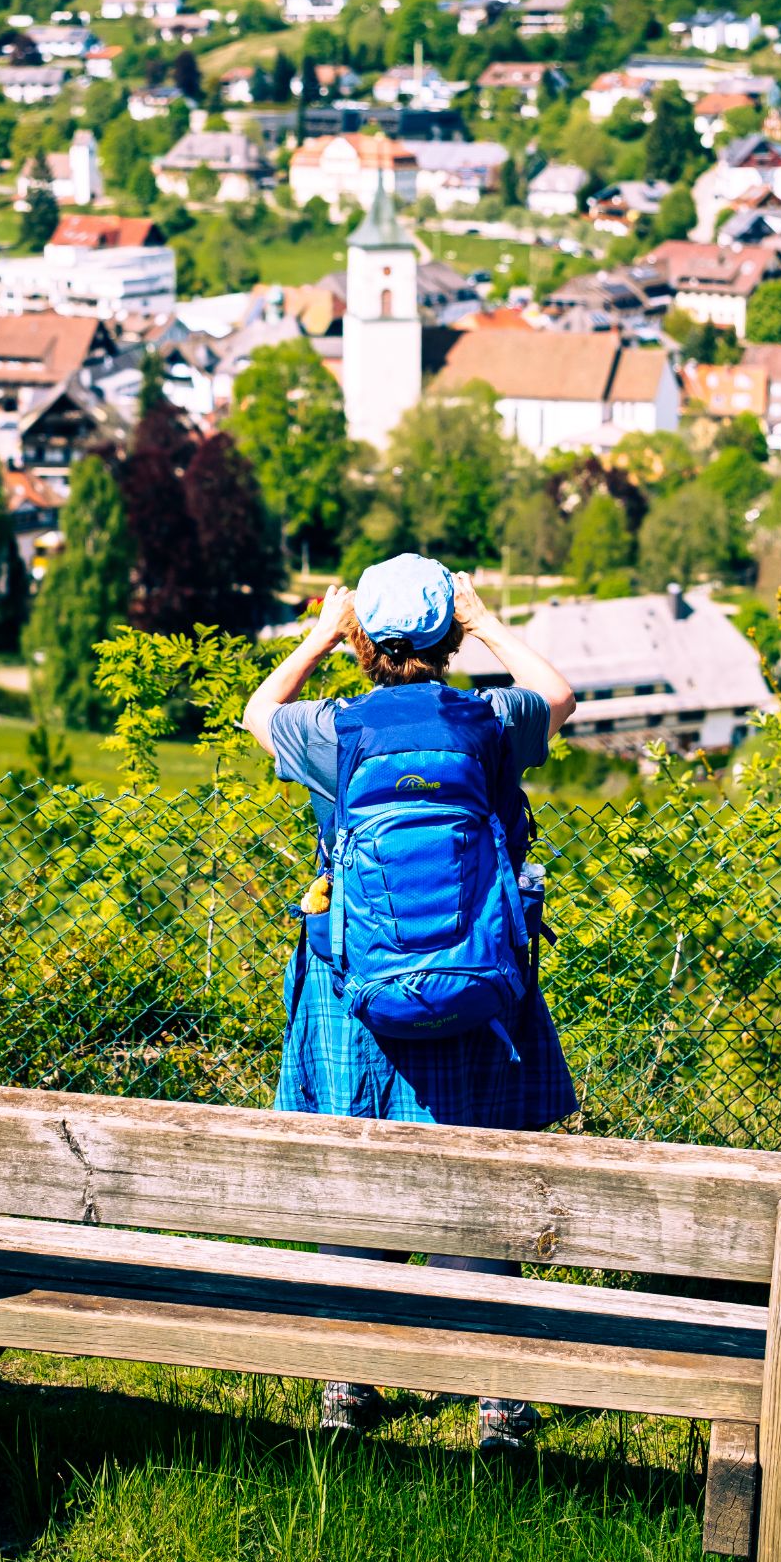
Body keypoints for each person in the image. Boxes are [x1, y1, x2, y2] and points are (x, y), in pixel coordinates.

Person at [243, 553, 578, 1455]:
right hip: (481, 993)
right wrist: (491, 625)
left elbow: (254, 715)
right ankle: (497, 1401)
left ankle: (347, 1385)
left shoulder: (327, 729)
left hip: (356, 996)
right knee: (479, 1176)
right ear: (445, 635)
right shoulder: (493, 722)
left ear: (365, 640)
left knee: (358, 1178)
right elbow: (562, 694)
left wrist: (318, 631)